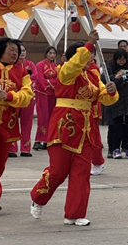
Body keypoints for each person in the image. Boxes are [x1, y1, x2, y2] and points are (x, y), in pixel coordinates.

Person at [30, 31, 118, 226]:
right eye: (86, 55)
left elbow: (104, 96)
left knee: (81, 172)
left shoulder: (93, 75)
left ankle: (74, 213)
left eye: (91, 56)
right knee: (58, 171)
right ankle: (38, 197)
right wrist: (88, 44)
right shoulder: (66, 71)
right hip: (64, 126)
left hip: (85, 129)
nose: (89, 59)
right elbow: (75, 65)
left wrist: (111, 92)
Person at [0, 38, 34, 215]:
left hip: (7, 123)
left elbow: (27, 95)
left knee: (0, 163)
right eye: (11, 49)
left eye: (17, 50)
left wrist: (9, 96)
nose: (15, 52)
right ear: (0, 50)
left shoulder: (22, 72)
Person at [106, 49, 128, 160]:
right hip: (116, 102)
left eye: (123, 59)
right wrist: (118, 78)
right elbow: (109, 86)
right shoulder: (110, 69)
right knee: (117, 127)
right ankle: (115, 148)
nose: (121, 61)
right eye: (119, 59)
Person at [9, 43, 37, 157]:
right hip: (15, 97)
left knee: (27, 122)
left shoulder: (30, 64)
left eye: (24, 50)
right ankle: (11, 148)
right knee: (12, 120)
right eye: (20, 51)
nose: (23, 53)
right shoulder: (11, 65)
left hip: (28, 97)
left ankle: (26, 148)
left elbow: (36, 77)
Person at [34, 47, 58, 151]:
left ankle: (48, 140)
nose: (52, 55)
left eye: (54, 53)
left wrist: (51, 83)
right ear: (46, 54)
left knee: (51, 117)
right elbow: (40, 77)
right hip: (42, 93)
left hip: (52, 94)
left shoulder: (56, 67)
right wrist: (47, 84)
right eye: (50, 53)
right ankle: (39, 140)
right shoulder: (40, 65)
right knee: (43, 117)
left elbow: (58, 79)